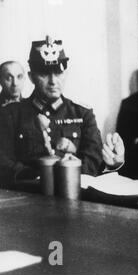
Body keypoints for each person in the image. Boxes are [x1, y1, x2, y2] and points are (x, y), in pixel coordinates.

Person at [0, 36, 123, 188]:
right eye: (44, 74)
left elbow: (93, 161)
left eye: (58, 73)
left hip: (75, 194)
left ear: (65, 74)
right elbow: (4, 164)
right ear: (32, 77)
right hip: (30, 197)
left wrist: (66, 179)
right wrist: (41, 178)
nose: (53, 81)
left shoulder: (83, 114)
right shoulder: (10, 114)